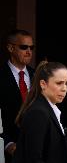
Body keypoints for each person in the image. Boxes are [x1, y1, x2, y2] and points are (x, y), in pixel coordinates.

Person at [12, 61, 67, 163]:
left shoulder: (48, 110)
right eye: (59, 83)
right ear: (43, 84)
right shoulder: (38, 113)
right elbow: (34, 158)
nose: (64, 88)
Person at [0, 29, 34, 162]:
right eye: (24, 47)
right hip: (9, 151)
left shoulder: (38, 75)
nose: (29, 51)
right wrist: (7, 143)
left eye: (31, 47)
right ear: (10, 48)